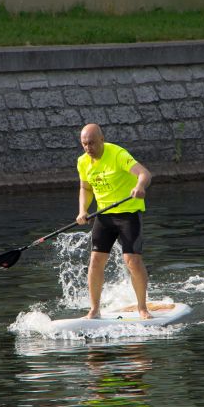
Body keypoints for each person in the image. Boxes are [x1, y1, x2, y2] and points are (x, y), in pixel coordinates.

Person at [75, 123, 153, 319]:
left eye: (92, 143)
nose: (88, 148)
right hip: (104, 216)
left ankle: (142, 308)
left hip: (128, 214)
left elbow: (144, 174)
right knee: (95, 261)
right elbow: (85, 188)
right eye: (84, 144)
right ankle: (94, 310)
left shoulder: (118, 154)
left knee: (132, 261)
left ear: (102, 139)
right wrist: (83, 210)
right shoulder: (83, 162)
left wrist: (140, 186)